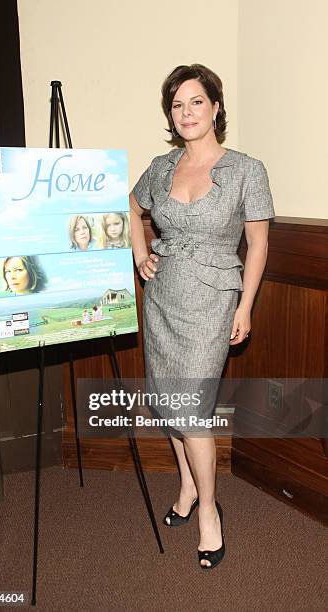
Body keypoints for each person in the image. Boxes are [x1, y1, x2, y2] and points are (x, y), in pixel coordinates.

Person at [129, 64, 275, 571]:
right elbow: (132, 204)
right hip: (164, 295)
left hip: (213, 300)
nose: (186, 112)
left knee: (191, 408)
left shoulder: (246, 169)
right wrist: (139, 251)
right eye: (177, 104)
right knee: (169, 400)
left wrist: (246, 305)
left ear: (215, 107)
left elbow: (257, 244)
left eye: (196, 101)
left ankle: (209, 512)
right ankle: (188, 487)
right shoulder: (161, 166)